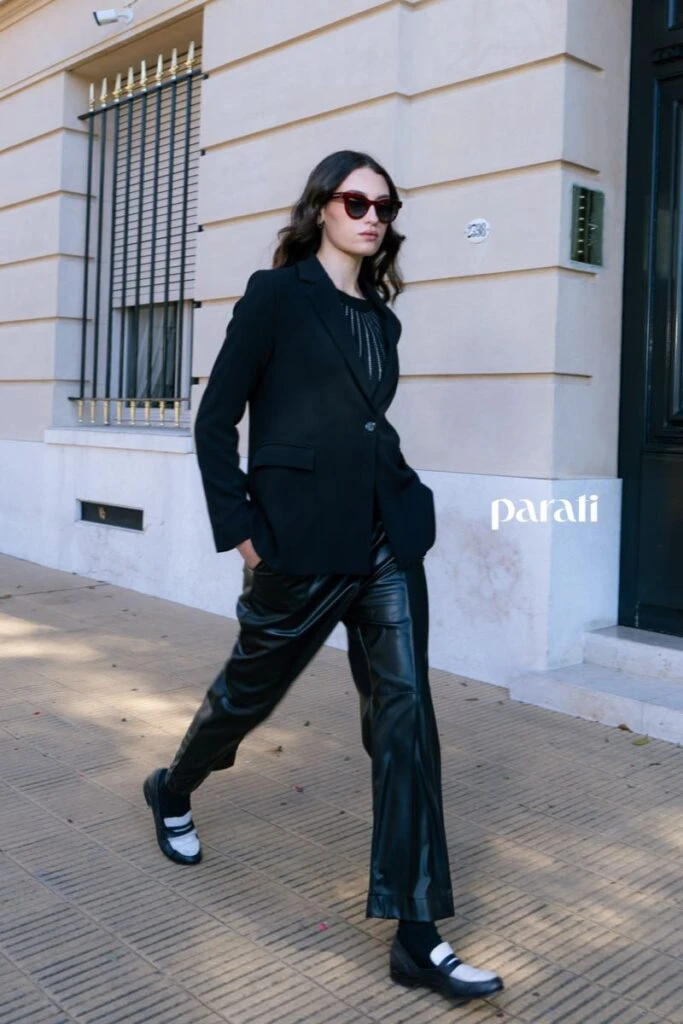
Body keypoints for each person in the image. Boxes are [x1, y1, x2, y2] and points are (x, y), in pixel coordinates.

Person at [143, 150, 503, 1006]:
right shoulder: (276, 296)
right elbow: (214, 421)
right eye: (355, 201)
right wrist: (243, 535)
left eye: (385, 205)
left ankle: (416, 933)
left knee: (406, 719)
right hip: (297, 545)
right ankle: (174, 786)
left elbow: (367, 426)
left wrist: (406, 510)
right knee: (247, 694)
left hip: (383, 542)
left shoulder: (381, 319)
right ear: (321, 209)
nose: (372, 216)